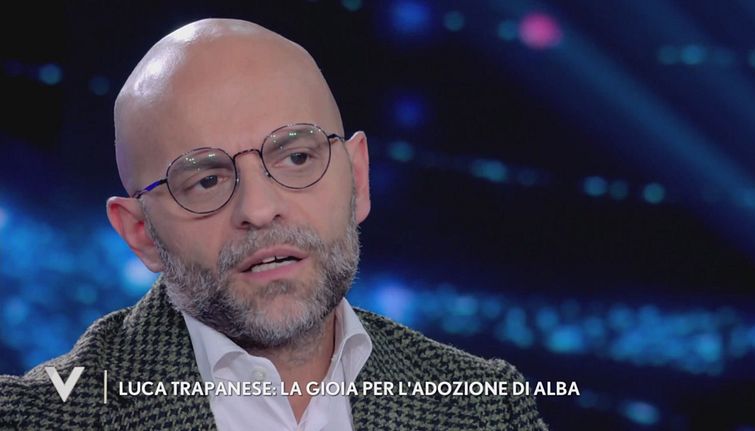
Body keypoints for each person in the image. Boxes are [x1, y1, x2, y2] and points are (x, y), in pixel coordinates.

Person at [0, 18, 547, 430]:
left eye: (297, 158)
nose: (260, 209)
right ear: (139, 233)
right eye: (206, 181)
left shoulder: (487, 409)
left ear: (357, 178)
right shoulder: (36, 418)